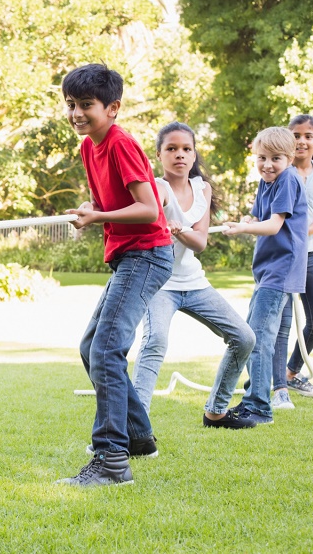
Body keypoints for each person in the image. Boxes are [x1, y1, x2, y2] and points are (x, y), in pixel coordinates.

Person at [56, 64, 174, 488]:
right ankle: (139, 437)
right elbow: (103, 197)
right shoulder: (90, 146)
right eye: (70, 105)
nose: (76, 114)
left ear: (113, 108)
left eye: (86, 105)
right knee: (93, 347)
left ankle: (111, 460)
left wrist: (98, 216)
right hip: (129, 256)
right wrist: (91, 210)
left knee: (106, 349)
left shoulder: (121, 143)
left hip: (148, 253)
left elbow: (147, 209)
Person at [132, 122, 257, 429]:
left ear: (194, 153)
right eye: (171, 149)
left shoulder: (202, 188)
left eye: (186, 149)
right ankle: (135, 427)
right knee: (155, 341)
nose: (180, 155)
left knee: (244, 338)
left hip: (194, 282)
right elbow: (135, 210)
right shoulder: (157, 189)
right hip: (160, 283)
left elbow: (200, 242)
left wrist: (181, 230)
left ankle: (215, 412)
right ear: (159, 155)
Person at [223, 126, 308, 425]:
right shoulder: (266, 181)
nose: (267, 164)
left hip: (281, 270)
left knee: (257, 338)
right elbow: (261, 217)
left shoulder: (287, 179)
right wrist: (248, 220)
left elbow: (273, 226)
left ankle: (258, 406)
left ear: (289, 158)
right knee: (255, 335)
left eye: (275, 158)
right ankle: (254, 401)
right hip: (267, 270)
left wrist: (244, 228)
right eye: (262, 157)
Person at [272, 114, 313, 404]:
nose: (301, 141)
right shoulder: (281, 171)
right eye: (296, 135)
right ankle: (276, 386)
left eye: (308, 136)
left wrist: (302, 231)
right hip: (282, 256)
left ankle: (290, 372)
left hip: (309, 255)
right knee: (280, 324)